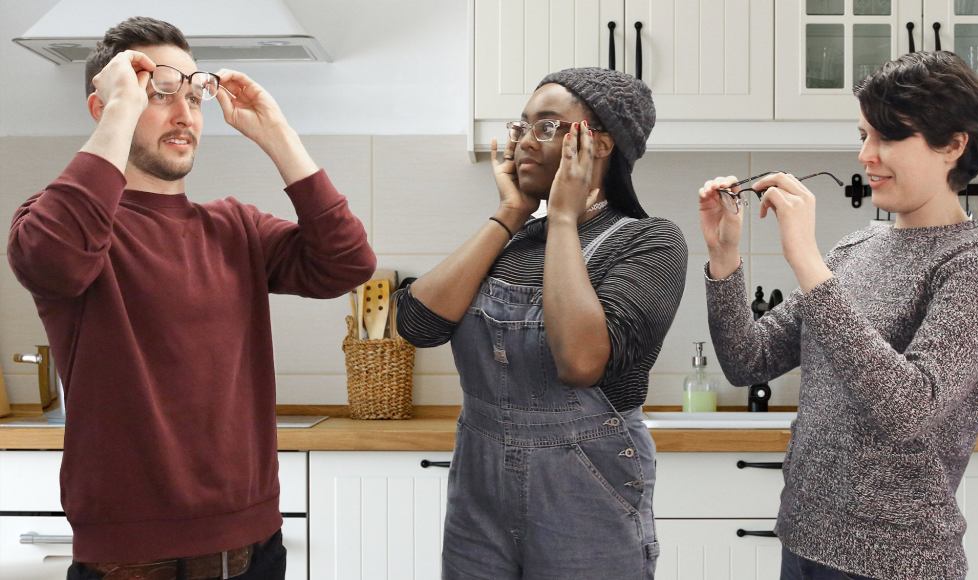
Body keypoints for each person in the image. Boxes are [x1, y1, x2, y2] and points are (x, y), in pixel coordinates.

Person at [7, 17, 375, 579]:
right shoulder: (62, 223)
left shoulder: (236, 227)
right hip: (129, 562)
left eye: (193, 96)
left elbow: (347, 263)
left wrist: (275, 132)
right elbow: (51, 260)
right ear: (106, 105)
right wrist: (119, 109)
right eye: (158, 94)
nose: (184, 114)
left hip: (256, 549)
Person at [697, 51, 978, 580]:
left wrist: (805, 259)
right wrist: (725, 255)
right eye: (863, 135)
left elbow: (908, 410)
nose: (866, 155)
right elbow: (746, 361)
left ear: (954, 145)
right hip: (801, 542)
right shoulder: (857, 247)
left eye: (888, 137)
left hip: (896, 563)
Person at [394, 67, 686, 579]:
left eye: (548, 127)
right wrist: (512, 211)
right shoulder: (510, 240)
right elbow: (417, 324)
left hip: (586, 491)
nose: (525, 143)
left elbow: (580, 362)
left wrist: (565, 219)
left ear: (600, 144)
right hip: (478, 494)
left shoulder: (650, 241)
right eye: (522, 126)